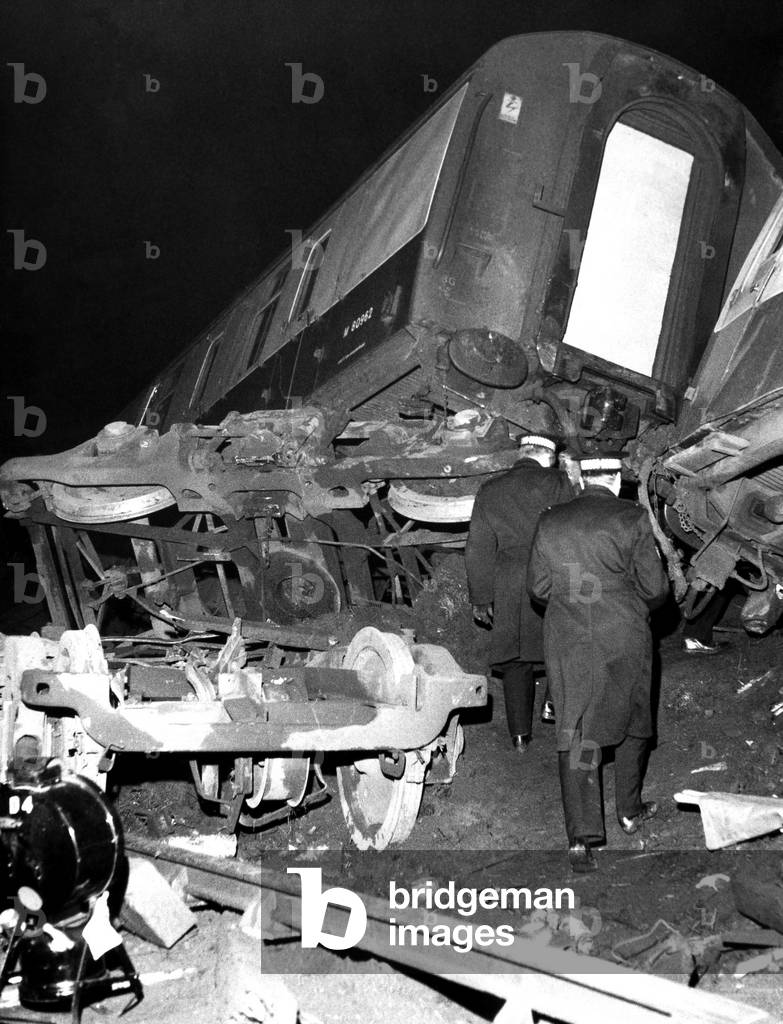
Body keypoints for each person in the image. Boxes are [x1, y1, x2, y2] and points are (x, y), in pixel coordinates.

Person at [527, 457, 670, 871]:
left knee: (577, 727)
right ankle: (630, 809)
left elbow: (538, 588)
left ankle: (581, 840)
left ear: (581, 478)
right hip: (624, 631)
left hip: (568, 636)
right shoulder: (632, 517)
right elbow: (656, 588)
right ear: (614, 479)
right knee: (633, 718)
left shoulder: (550, 520)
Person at [465, 435, 573, 754]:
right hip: (553, 571)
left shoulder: (490, 490)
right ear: (550, 457)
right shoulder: (561, 483)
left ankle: (520, 736)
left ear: (521, 454)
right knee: (562, 639)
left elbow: (479, 548)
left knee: (515, 658)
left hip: (509, 579)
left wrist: (481, 598)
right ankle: (553, 704)